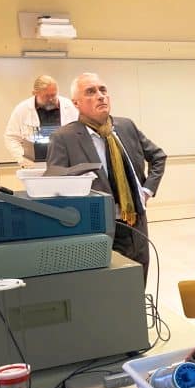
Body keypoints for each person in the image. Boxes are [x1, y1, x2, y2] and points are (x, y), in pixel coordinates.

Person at [47, 72, 166, 281]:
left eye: (103, 90)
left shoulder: (125, 126)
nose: (100, 96)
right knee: (109, 289)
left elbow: (158, 157)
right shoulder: (64, 138)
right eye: (91, 92)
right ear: (76, 103)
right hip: (97, 229)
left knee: (138, 284)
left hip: (135, 224)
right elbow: (56, 186)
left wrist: (146, 190)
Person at [4, 75, 78, 167]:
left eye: (54, 95)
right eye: (46, 96)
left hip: (66, 161)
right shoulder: (22, 110)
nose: (51, 99)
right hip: (35, 164)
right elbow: (11, 138)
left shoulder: (70, 107)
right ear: (35, 93)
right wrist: (22, 159)